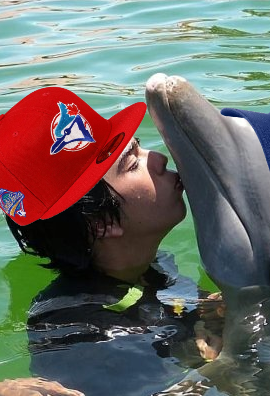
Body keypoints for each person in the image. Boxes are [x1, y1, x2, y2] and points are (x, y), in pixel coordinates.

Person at [0, 136, 224, 396]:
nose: (159, 158)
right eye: (132, 163)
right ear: (103, 223)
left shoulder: (153, 266)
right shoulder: (78, 330)